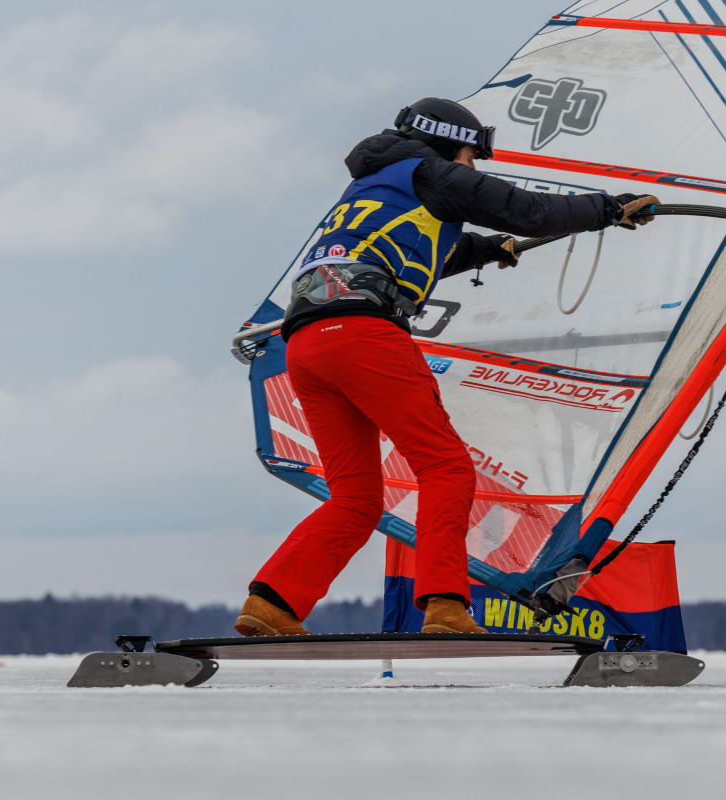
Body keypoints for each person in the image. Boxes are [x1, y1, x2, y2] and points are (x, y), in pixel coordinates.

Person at [235, 97, 660, 637]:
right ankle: (445, 606)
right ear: (450, 144)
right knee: (446, 468)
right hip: (365, 336)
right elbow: (526, 208)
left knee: (356, 498)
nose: (473, 166)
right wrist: (609, 208)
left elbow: (429, 247)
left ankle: (271, 604)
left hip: (307, 345)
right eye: (472, 155)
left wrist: (492, 249)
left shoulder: (374, 184)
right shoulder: (432, 172)